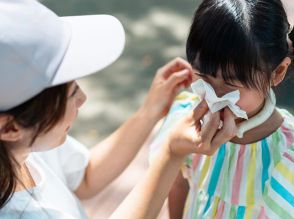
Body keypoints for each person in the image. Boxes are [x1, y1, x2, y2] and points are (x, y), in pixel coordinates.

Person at [0, 0, 236, 218]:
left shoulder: (27, 145)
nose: (83, 98)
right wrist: (171, 152)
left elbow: (86, 176)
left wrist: (149, 111)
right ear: (10, 127)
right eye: (71, 93)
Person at [149, 0, 294, 218]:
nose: (215, 99)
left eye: (231, 86)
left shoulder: (286, 155)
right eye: (203, 79)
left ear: (278, 72)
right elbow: (177, 184)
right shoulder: (185, 121)